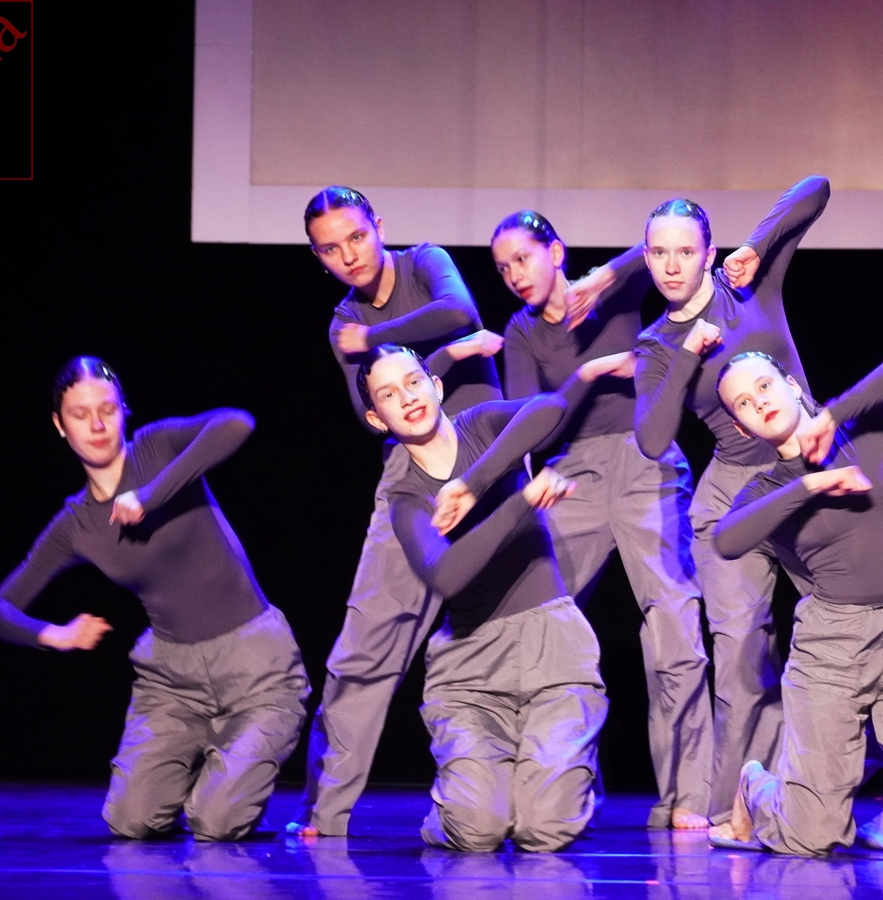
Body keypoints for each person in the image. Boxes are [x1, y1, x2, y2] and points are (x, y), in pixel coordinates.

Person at [0, 357, 310, 841]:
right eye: (80, 414)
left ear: (123, 410)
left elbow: (236, 423)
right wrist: (56, 635)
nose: (97, 425)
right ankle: (202, 764)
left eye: (107, 409)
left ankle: (231, 769)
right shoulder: (75, 524)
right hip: (172, 683)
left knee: (215, 822)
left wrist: (150, 496)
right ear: (60, 425)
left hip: (256, 669)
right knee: (130, 820)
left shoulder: (157, 448)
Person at [705, 346, 883, 857]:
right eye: (743, 403)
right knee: (811, 837)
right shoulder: (768, 489)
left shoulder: (866, 428)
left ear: (792, 384)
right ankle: (756, 787)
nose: (759, 401)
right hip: (832, 648)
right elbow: (727, 540)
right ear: (742, 429)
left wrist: (833, 414)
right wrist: (811, 484)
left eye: (764, 385)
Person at [490, 210, 713, 829]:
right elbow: (532, 424)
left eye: (523, 258)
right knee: (541, 621)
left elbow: (659, 247)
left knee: (673, 623)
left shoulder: (612, 292)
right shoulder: (521, 331)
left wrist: (603, 276)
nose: (514, 274)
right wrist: (589, 373)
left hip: (646, 460)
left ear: (556, 252)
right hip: (574, 475)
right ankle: (557, 781)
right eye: (503, 268)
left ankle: (689, 794)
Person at [293, 186, 504, 837]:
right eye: (331, 249)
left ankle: (547, 786)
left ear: (378, 227)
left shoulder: (424, 262)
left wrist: (379, 336)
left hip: (486, 454)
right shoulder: (342, 322)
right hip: (413, 475)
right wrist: (447, 353)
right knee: (366, 645)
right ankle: (325, 809)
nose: (349, 256)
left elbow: (458, 309)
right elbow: (369, 413)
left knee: (525, 625)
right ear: (318, 257)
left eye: (357, 237)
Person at [356, 342, 615, 851]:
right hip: (470, 672)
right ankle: (473, 798)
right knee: (478, 831)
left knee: (546, 829)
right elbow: (447, 576)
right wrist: (521, 502)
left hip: (552, 648)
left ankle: (561, 778)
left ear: (436, 386)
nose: (406, 397)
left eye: (413, 381)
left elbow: (550, 408)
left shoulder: (480, 425)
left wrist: (474, 483)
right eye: (388, 394)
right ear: (377, 418)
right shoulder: (406, 499)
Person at [632, 176, 829, 825]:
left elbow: (816, 189)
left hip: (810, 475)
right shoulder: (657, 343)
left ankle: (841, 780)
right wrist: (688, 356)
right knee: (742, 654)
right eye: (660, 252)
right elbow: (652, 438)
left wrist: (758, 244)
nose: (671, 265)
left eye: (685, 250)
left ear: (708, 253)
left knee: (849, 630)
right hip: (731, 496)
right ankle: (732, 807)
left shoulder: (748, 286)